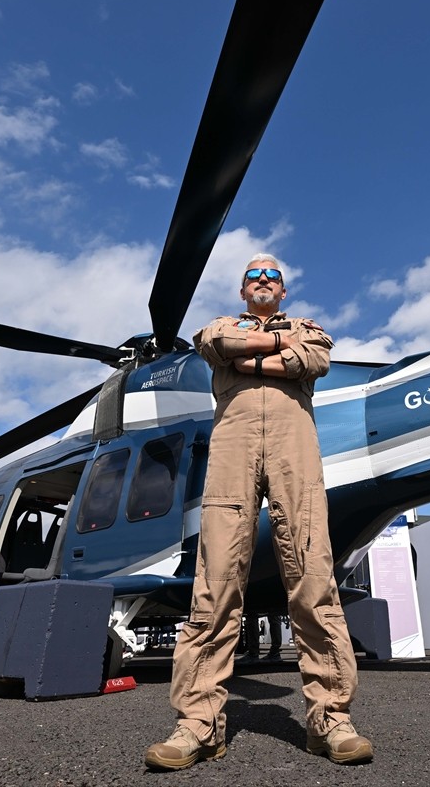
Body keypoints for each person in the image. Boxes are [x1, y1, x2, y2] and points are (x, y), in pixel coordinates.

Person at [145, 255, 372, 771]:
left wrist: (248, 358)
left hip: (295, 452)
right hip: (233, 450)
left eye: (273, 276)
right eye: (254, 275)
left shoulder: (308, 329)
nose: (264, 280)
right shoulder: (221, 325)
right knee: (216, 580)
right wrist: (274, 348)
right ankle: (199, 723)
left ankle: (330, 718)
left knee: (313, 577)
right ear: (243, 289)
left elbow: (312, 360)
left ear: (284, 291)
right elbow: (215, 344)